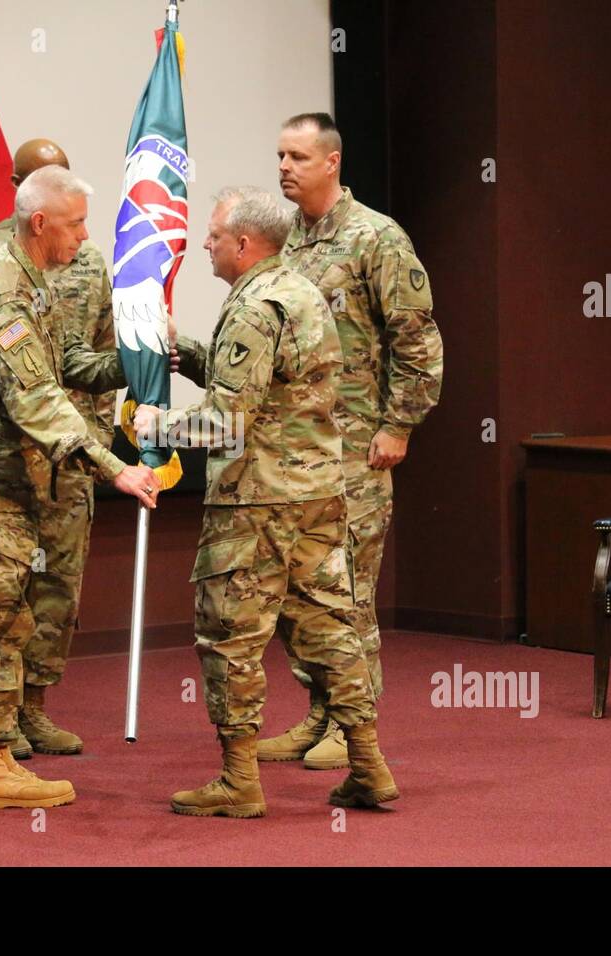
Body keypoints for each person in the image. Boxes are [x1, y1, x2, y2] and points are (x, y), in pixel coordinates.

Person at [136, 187, 399, 817]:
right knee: (329, 627)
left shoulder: (254, 307)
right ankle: (368, 763)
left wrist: (157, 427)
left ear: (245, 243)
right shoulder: (301, 290)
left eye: (214, 235)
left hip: (255, 504)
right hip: (315, 494)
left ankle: (237, 779)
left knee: (230, 636)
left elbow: (229, 421)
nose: (205, 243)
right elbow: (281, 387)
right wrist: (191, 354)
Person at [0, 165, 159, 809]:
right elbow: (37, 400)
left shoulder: (28, 281)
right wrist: (116, 467)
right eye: (77, 223)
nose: (85, 236)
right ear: (39, 223)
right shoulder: (4, 293)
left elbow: (68, 370)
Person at [258, 112, 443, 770]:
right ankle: (318, 712)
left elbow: (416, 338)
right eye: (279, 155)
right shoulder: (285, 241)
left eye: (297, 157)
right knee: (294, 595)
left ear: (331, 162)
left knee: (348, 592)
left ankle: (353, 725)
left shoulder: (376, 239)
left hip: (357, 450)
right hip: (292, 452)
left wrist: (399, 423)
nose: (284, 167)